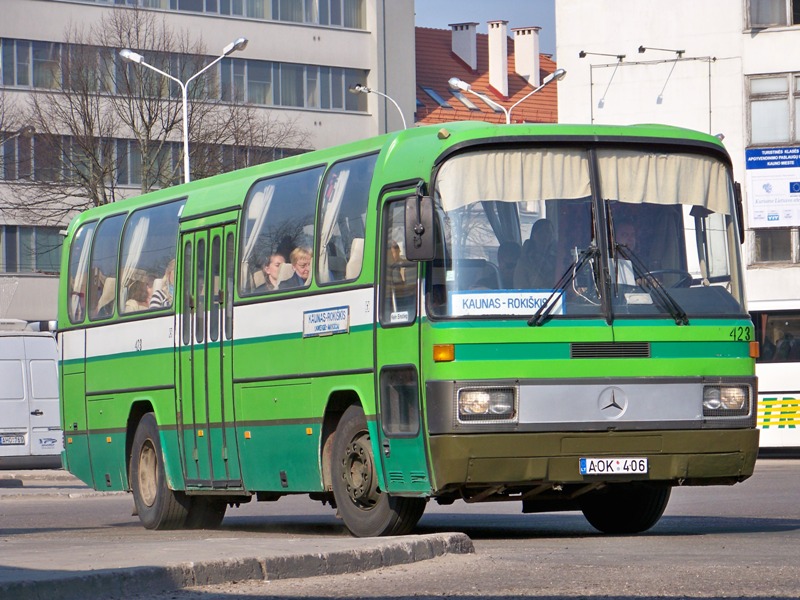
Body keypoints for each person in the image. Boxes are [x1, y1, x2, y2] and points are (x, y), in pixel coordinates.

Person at [514, 219, 556, 289]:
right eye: (541, 232)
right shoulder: (524, 261)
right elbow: (520, 288)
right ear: (534, 235)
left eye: (548, 231)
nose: (545, 235)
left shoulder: (559, 259)